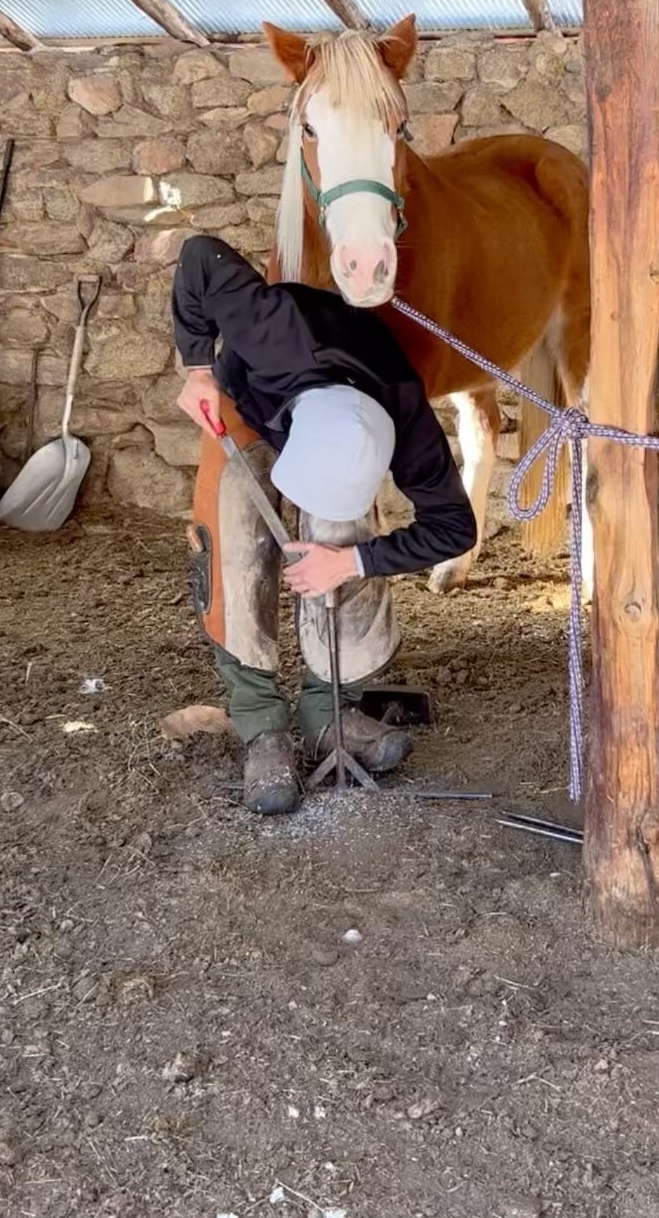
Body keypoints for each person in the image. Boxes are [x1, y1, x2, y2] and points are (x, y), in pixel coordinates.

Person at [169, 233, 476, 815]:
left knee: (345, 537)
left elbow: (455, 529)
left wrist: (353, 560)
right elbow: (199, 255)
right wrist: (198, 367)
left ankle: (327, 713)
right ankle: (262, 726)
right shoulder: (271, 329)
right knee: (236, 528)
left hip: (338, 411)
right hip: (246, 397)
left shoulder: (405, 417)